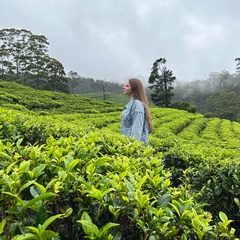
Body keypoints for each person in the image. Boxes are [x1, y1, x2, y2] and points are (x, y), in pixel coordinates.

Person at [121, 78, 152, 143]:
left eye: (127, 86)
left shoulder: (137, 104)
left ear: (134, 89)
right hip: (127, 143)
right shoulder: (131, 104)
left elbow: (137, 129)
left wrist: (134, 147)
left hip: (134, 146)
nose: (123, 87)